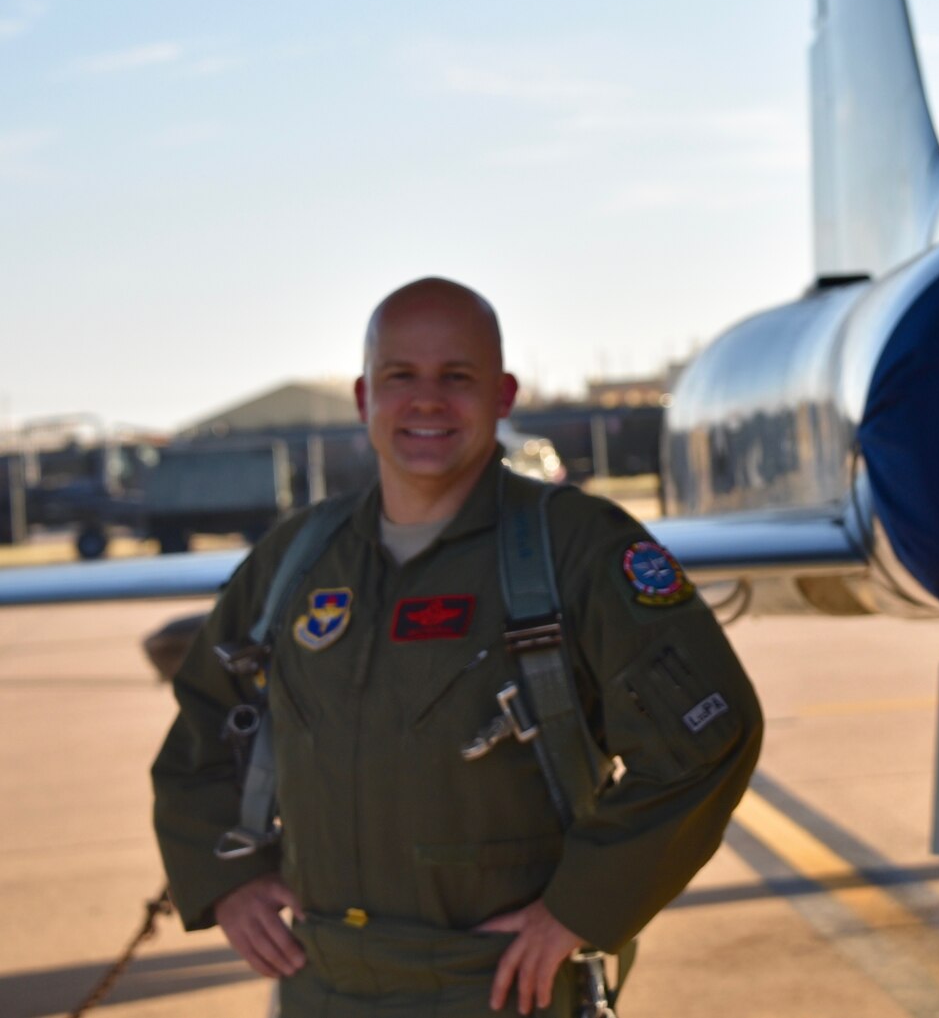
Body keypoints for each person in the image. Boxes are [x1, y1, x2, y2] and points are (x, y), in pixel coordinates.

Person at [153, 278, 761, 1016]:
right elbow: (207, 721)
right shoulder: (297, 559)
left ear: (503, 394)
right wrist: (228, 875)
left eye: (457, 377)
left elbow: (709, 729)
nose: (427, 400)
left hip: (501, 984)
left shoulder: (572, 548)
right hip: (323, 982)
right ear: (363, 397)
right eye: (400, 376)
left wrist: (579, 908)